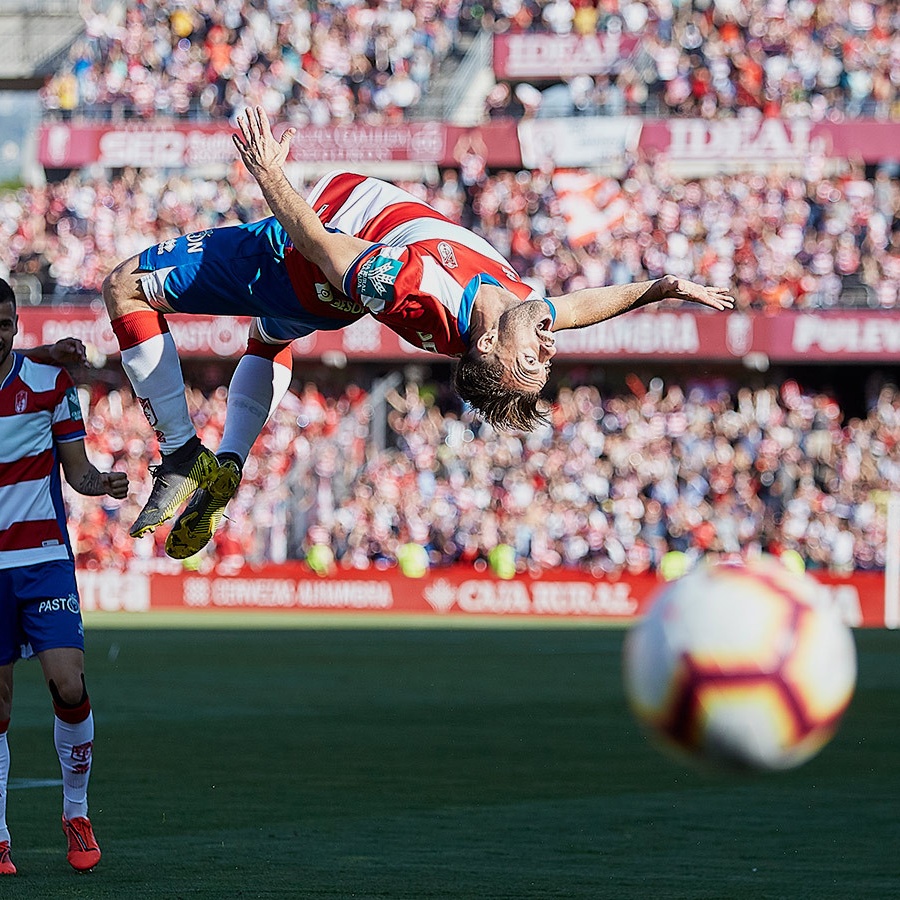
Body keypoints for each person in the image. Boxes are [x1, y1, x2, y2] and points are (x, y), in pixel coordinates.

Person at [102, 106, 733, 560]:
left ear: (486, 346)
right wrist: (661, 289)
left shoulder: (414, 288)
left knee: (125, 286)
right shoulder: (520, 309)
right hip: (330, 296)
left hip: (298, 259)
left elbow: (319, 246)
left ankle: (183, 453)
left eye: (534, 359)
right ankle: (230, 462)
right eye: (547, 352)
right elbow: (579, 307)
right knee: (269, 339)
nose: (548, 344)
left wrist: (269, 174)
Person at [0, 279, 128, 875]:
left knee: (69, 685)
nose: (0, 333)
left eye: (7, 322)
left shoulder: (51, 386)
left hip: (43, 560)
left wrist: (101, 484)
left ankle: (75, 812)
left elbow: (76, 472)